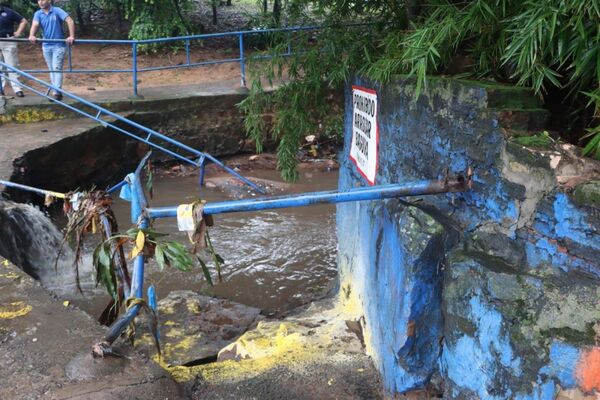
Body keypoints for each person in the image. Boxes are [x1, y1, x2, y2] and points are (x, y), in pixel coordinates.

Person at [28, 0, 74, 100]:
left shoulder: (57, 11)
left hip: (58, 45)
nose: (40, 2)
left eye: (43, 0)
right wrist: (32, 35)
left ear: (49, 0)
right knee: (51, 69)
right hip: (46, 45)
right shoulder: (38, 13)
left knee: (56, 68)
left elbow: (70, 20)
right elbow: (35, 25)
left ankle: (56, 92)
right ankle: (56, 90)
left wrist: (71, 36)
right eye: (38, 0)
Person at [0, 3, 27, 97]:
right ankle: (1, 89)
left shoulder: (8, 11)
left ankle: (17, 89)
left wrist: (18, 32)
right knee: (0, 68)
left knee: (12, 65)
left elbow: (23, 21)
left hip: (8, 41)